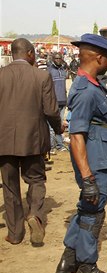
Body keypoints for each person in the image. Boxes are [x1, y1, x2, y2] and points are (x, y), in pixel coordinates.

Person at [55, 34, 107, 273]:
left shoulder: (90, 84)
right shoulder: (86, 90)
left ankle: (68, 258)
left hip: (99, 154)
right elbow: (76, 136)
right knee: (94, 212)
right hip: (94, 160)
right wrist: (87, 177)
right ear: (99, 58)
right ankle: (87, 267)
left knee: (86, 208)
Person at [0, 38, 63, 246]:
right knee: (35, 180)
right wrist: (57, 128)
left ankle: (15, 233)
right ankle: (35, 215)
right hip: (33, 140)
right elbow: (51, 110)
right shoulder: (41, 76)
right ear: (29, 53)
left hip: (4, 141)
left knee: (10, 187)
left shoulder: (1, 75)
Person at [48, 53, 69, 152]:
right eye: (56, 58)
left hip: (63, 101)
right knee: (52, 124)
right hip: (53, 101)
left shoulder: (63, 70)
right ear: (53, 59)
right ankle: (51, 147)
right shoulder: (50, 71)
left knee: (60, 124)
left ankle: (59, 145)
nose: (58, 60)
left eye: (60, 58)